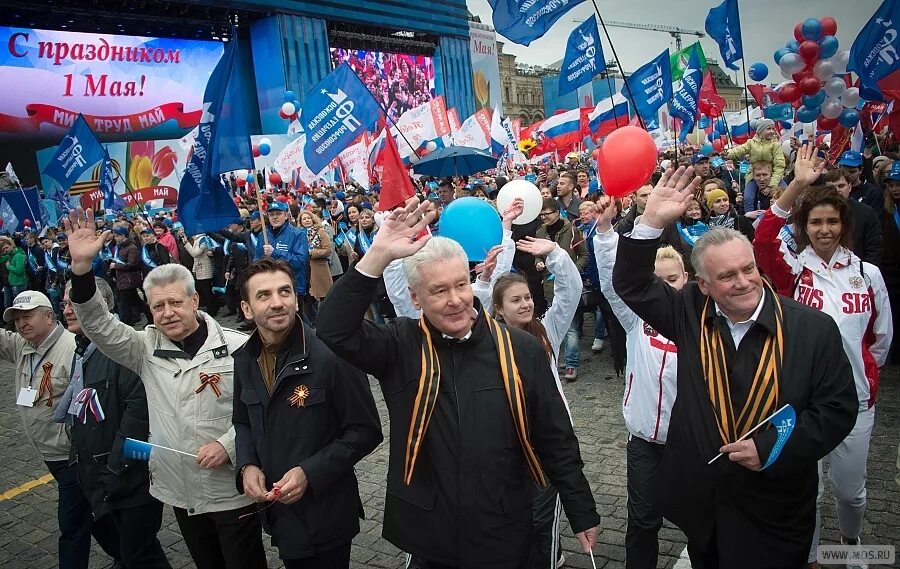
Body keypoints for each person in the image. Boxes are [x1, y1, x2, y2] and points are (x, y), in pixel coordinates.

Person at [316, 199, 600, 569]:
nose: (456, 301)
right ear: (415, 298)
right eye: (438, 291)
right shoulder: (400, 345)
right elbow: (333, 328)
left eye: (461, 285)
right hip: (430, 532)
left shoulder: (521, 348)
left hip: (504, 526)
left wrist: (581, 509)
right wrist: (378, 255)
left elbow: (555, 436)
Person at [612, 162, 858, 568]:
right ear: (703, 285)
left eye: (749, 269)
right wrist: (651, 222)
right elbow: (633, 284)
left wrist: (772, 446)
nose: (743, 282)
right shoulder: (689, 311)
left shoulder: (813, 329)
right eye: (727, 276)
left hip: (777, 506)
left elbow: (837, 410)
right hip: (705, 505)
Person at [63, 208, 268, 569]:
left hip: (231, 488)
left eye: (176, 302)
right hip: (180, 490)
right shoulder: (142, 349)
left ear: (195, 300)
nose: (168, 312)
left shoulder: (241, 347)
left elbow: (262, 411)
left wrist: (227, 445)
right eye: (158, 306)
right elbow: (97, 323)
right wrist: (81, 269)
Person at [754, 144, 893, 567]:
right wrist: (797, 183)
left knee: (851, 490)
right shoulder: (793, 270)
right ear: (805, 226)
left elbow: (881, 338)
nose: (826, 229)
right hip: (801, 402)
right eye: (816, 222)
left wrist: (864, 375)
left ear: (844, 224)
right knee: (806, 488)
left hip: (854, 401)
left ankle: (851, 545)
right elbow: (762, 238)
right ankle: (811, 555)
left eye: (833, 221)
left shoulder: (868, 275)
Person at [232, 258, 382, 568]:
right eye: (264, 295)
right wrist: (246, 464)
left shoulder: (332, 355)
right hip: (280, 515)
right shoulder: (245, 359)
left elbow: (366, 431)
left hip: (326, 514)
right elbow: (242, 421)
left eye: (285, 292)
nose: (277, 303)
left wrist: (309, 473)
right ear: (246, 309)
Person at [56, 278, 172, 569]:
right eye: (65, 303)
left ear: (99, 307)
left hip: (129, 481)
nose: (68, 310)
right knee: (125, 549)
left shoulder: (126, 350)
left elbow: (138, 417)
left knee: (140, 554)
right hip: (98, 478)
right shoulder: (82, 351)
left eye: (74, 303)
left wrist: (113, 471)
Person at [594, 198, 683, 569]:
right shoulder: (635, 319)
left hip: (692, 444)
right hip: (645, 442)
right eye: (656, 281)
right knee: (644, 521)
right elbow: (616, 283)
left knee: (701, 517)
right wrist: (603, 233)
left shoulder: (702, 321)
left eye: (673, 279)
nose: (665, 288)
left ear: (688, 277)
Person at [0, 290, 116, 569]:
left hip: (72, 456)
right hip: (49, 453)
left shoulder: (71, 349)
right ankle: (126, 552)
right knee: (96, 516)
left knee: (72, 525)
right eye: (17, 319)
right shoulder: (22, 346)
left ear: (49, 316)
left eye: (27, 317)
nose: (21, 324)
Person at [823, 169, 883, 265]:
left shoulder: (866, 212)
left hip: (858, 270)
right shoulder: (817, 213)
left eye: (841, 186)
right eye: (831, 187)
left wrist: (865, 272)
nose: (837, 190)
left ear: (849, 187)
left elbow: (874, 247)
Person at [256, 200, 309, 296]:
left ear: (286, 215)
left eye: (278, 214)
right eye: (271, 214)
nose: (275, 217)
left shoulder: (298, 234)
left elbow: (299, 262)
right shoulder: (263, 235)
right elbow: (256, 261)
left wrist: (275, 253)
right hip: (269, 287)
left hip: (291, 287)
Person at [725, 118, 786, 194]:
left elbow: (779, 165)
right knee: (748, 198)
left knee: (785, 193)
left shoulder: (776, 145)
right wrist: (728, 154)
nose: (772, 131)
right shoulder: (751, 143)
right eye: (768, 129)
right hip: (754, 175)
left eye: (773, 129)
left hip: (773, 175)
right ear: (760, 131)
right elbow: (739, 150)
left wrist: (771, 185)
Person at [881, 161, 900, 365]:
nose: (895, 188)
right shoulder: (886, 208)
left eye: (898, 184)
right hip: (890, 270)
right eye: (892, 184)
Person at [184, 233, 221, 317]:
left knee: (206, 290)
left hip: (205, 268)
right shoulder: (196, 239)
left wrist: (186, 243)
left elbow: (195, 253)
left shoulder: (202, 239)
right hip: (199, 269)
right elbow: (196, 258)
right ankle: (212, 307)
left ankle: (212, 309)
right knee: (203, 289)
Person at [838, 150, 885, 215]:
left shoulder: (872, 193)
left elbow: (876, 221)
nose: (847, 175)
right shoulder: (833, 189)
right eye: (843, 171)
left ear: (861, 170)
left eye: (852, 172)